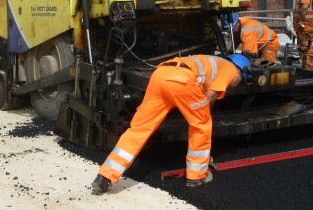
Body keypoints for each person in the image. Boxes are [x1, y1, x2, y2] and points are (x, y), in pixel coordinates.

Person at [91, 53, 251, 194]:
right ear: (241, 71)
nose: (238, 83)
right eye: (241, 80)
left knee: (139, 129)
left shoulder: (212, 61)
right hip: (181, 80)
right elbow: (209, 98)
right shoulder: (231, 70)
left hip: (160, 75)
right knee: (201, 125)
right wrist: (200, 115)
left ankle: (105, 176)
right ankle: (196, 176)